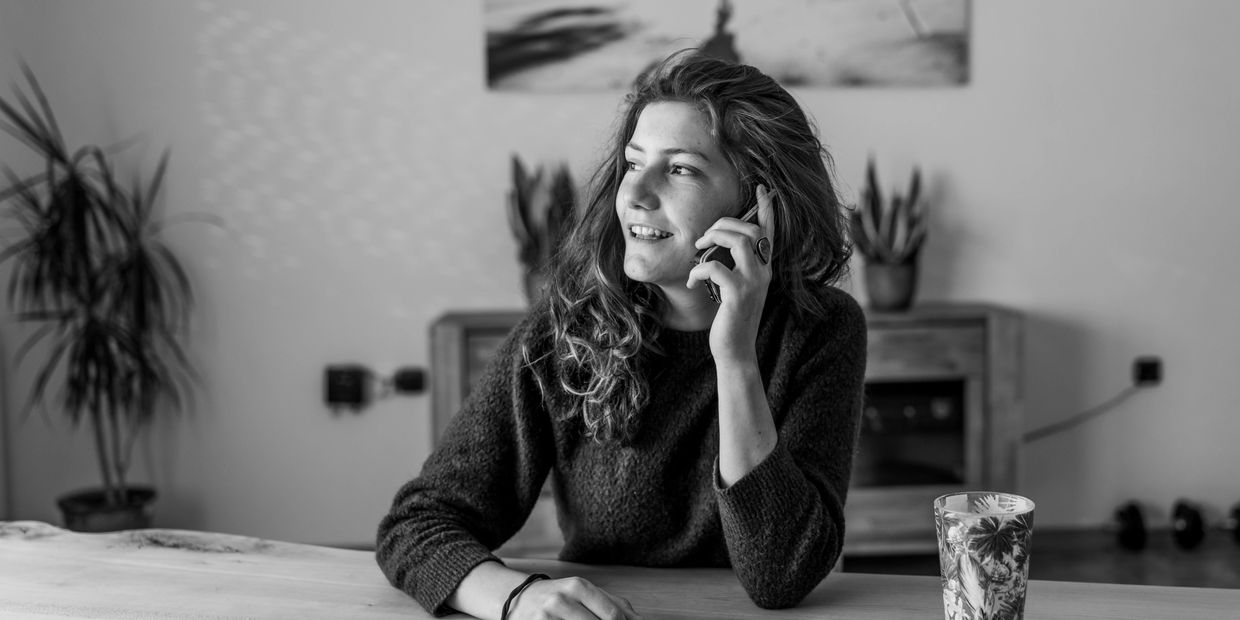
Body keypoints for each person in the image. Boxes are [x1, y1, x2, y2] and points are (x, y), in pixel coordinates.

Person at [377, 50, 867, 620]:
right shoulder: (563, 332)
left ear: (760, 204)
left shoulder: (822, 329)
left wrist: (735, 359)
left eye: (680, 168)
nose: (635, 193)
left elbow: (781, 576)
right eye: (634, 163)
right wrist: (516, 597)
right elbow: (417, 524)